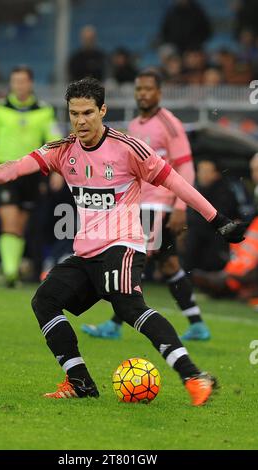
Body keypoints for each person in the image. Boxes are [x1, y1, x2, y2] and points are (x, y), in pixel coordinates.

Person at [0, 77, 247, 405]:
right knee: (44, 301)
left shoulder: (128, 149)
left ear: (103, 111)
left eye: (87, 113)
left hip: (123, 244)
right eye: (74, 113)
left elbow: (176, 182)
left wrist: (217, 219)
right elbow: (19, 165)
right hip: (86, 252)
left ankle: (194, 377)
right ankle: (79, 381)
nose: (80, 121)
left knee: (127, 304)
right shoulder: (63, 150)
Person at [82, 70, 211, 341]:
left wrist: (179, 207)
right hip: (141, 203)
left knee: (135, 261)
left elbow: (186, 169)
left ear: (159, 93)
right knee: (168, 265)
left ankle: (115, 324)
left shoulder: (170, 124)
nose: (142, 94)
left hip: (160, 205)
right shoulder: (137, 125)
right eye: (139, 89)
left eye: (148, 89)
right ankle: (197, 323)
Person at [0, 65, 62, 286]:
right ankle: (10, 272)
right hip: (4, 171)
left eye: (23, 81)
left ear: (30, 83)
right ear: (11, 83)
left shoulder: (43, 110)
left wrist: (56, 170)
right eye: (15, 81)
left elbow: (53, 140)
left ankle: (12, 268)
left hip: (32, 172)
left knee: (20, 225)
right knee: (9, 221)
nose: (19, 85)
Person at [184, 159, 239, 273]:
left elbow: (223, 217)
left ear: (216, 174)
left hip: (215, 241)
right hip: (197, 240)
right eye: (200, 170)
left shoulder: (225, 192)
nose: (201, 174)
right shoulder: (195, 189)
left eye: (206, 171)